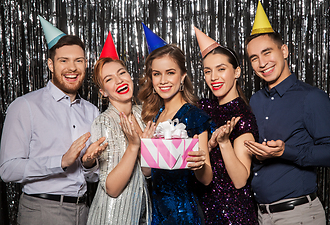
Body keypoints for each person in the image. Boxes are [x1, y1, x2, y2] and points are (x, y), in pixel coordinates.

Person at [243, 1, 330, 225]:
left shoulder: (311, 97)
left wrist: (285, 151)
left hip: (298, 214)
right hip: (260, 215)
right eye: (254, 58)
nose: (262, 63)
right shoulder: (254, 100)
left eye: (267, 52)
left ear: (284, 50)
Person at [0, 16, 107, 225]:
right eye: (63, 60)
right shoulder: (25, 106)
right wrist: (60, 162)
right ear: (50, 64)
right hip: (41, 211)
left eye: (78, 60)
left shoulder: (92, 112)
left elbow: (95, 177)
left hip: (84, 211)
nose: (72, 68)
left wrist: (89, 164)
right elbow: (8, 170)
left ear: (85, 64)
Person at [138, 23, 213, 225]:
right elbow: (148, 173)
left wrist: (198, 165)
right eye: (156, 74)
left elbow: (206, 178)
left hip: (184, 215)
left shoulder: (195, 116)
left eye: (170, 72)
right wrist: (143, 148)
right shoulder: (154, 117)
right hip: (158, 214)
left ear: (182, 77)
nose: (163, 80)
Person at [194, 27, 259, 224]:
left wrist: (223, 143)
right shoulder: (203, 107)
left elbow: (240, 180)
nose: (213, 77)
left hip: (234, 215)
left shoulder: (241, 115)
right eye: (207, 71)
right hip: (205, 212)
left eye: (221, 69)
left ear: (236, 71)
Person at [86, 32, 152, 225]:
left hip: (139, 213)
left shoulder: (143, 114)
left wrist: (146, 146)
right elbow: (112, 188)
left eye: (122, 73)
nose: (119, 80)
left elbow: (147, 172)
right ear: (103, 92)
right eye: (109, 79)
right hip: (112, 217)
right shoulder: (104, 122)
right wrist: (134, 146)